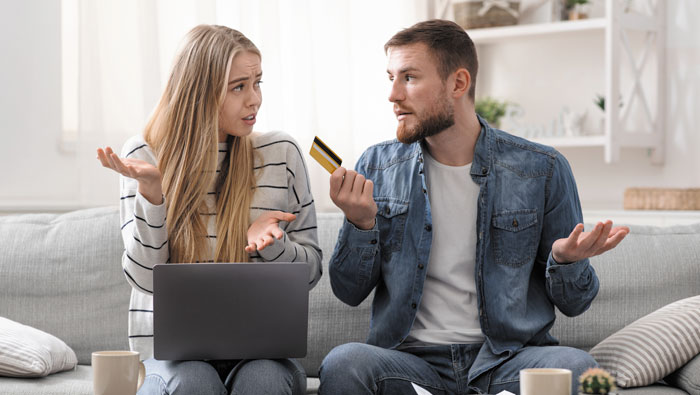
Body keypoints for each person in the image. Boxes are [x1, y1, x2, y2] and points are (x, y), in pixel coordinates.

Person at [319, 19, 629, 395]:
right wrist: (361, 223)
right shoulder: (377, 166)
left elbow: (577, 303)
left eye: (410, 78)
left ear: (458, 83)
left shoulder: (542, 169)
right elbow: (347, 291)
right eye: (391, 78)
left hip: (506, 360)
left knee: (579, 369)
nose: (393, 95)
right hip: (411, 362)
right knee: (344, 363)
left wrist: (565, 262)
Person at [96, 25, 321, 395]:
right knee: (192, 383)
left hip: (264, 355)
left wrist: (272, 245)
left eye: (257, 83)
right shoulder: (144, 155)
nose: (255, 100)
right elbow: (143, 280)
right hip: (173, 361)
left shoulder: (281, 154)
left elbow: (312, 272)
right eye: (238, 87)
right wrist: (153, 196)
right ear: (199, 93)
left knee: (263, 381)